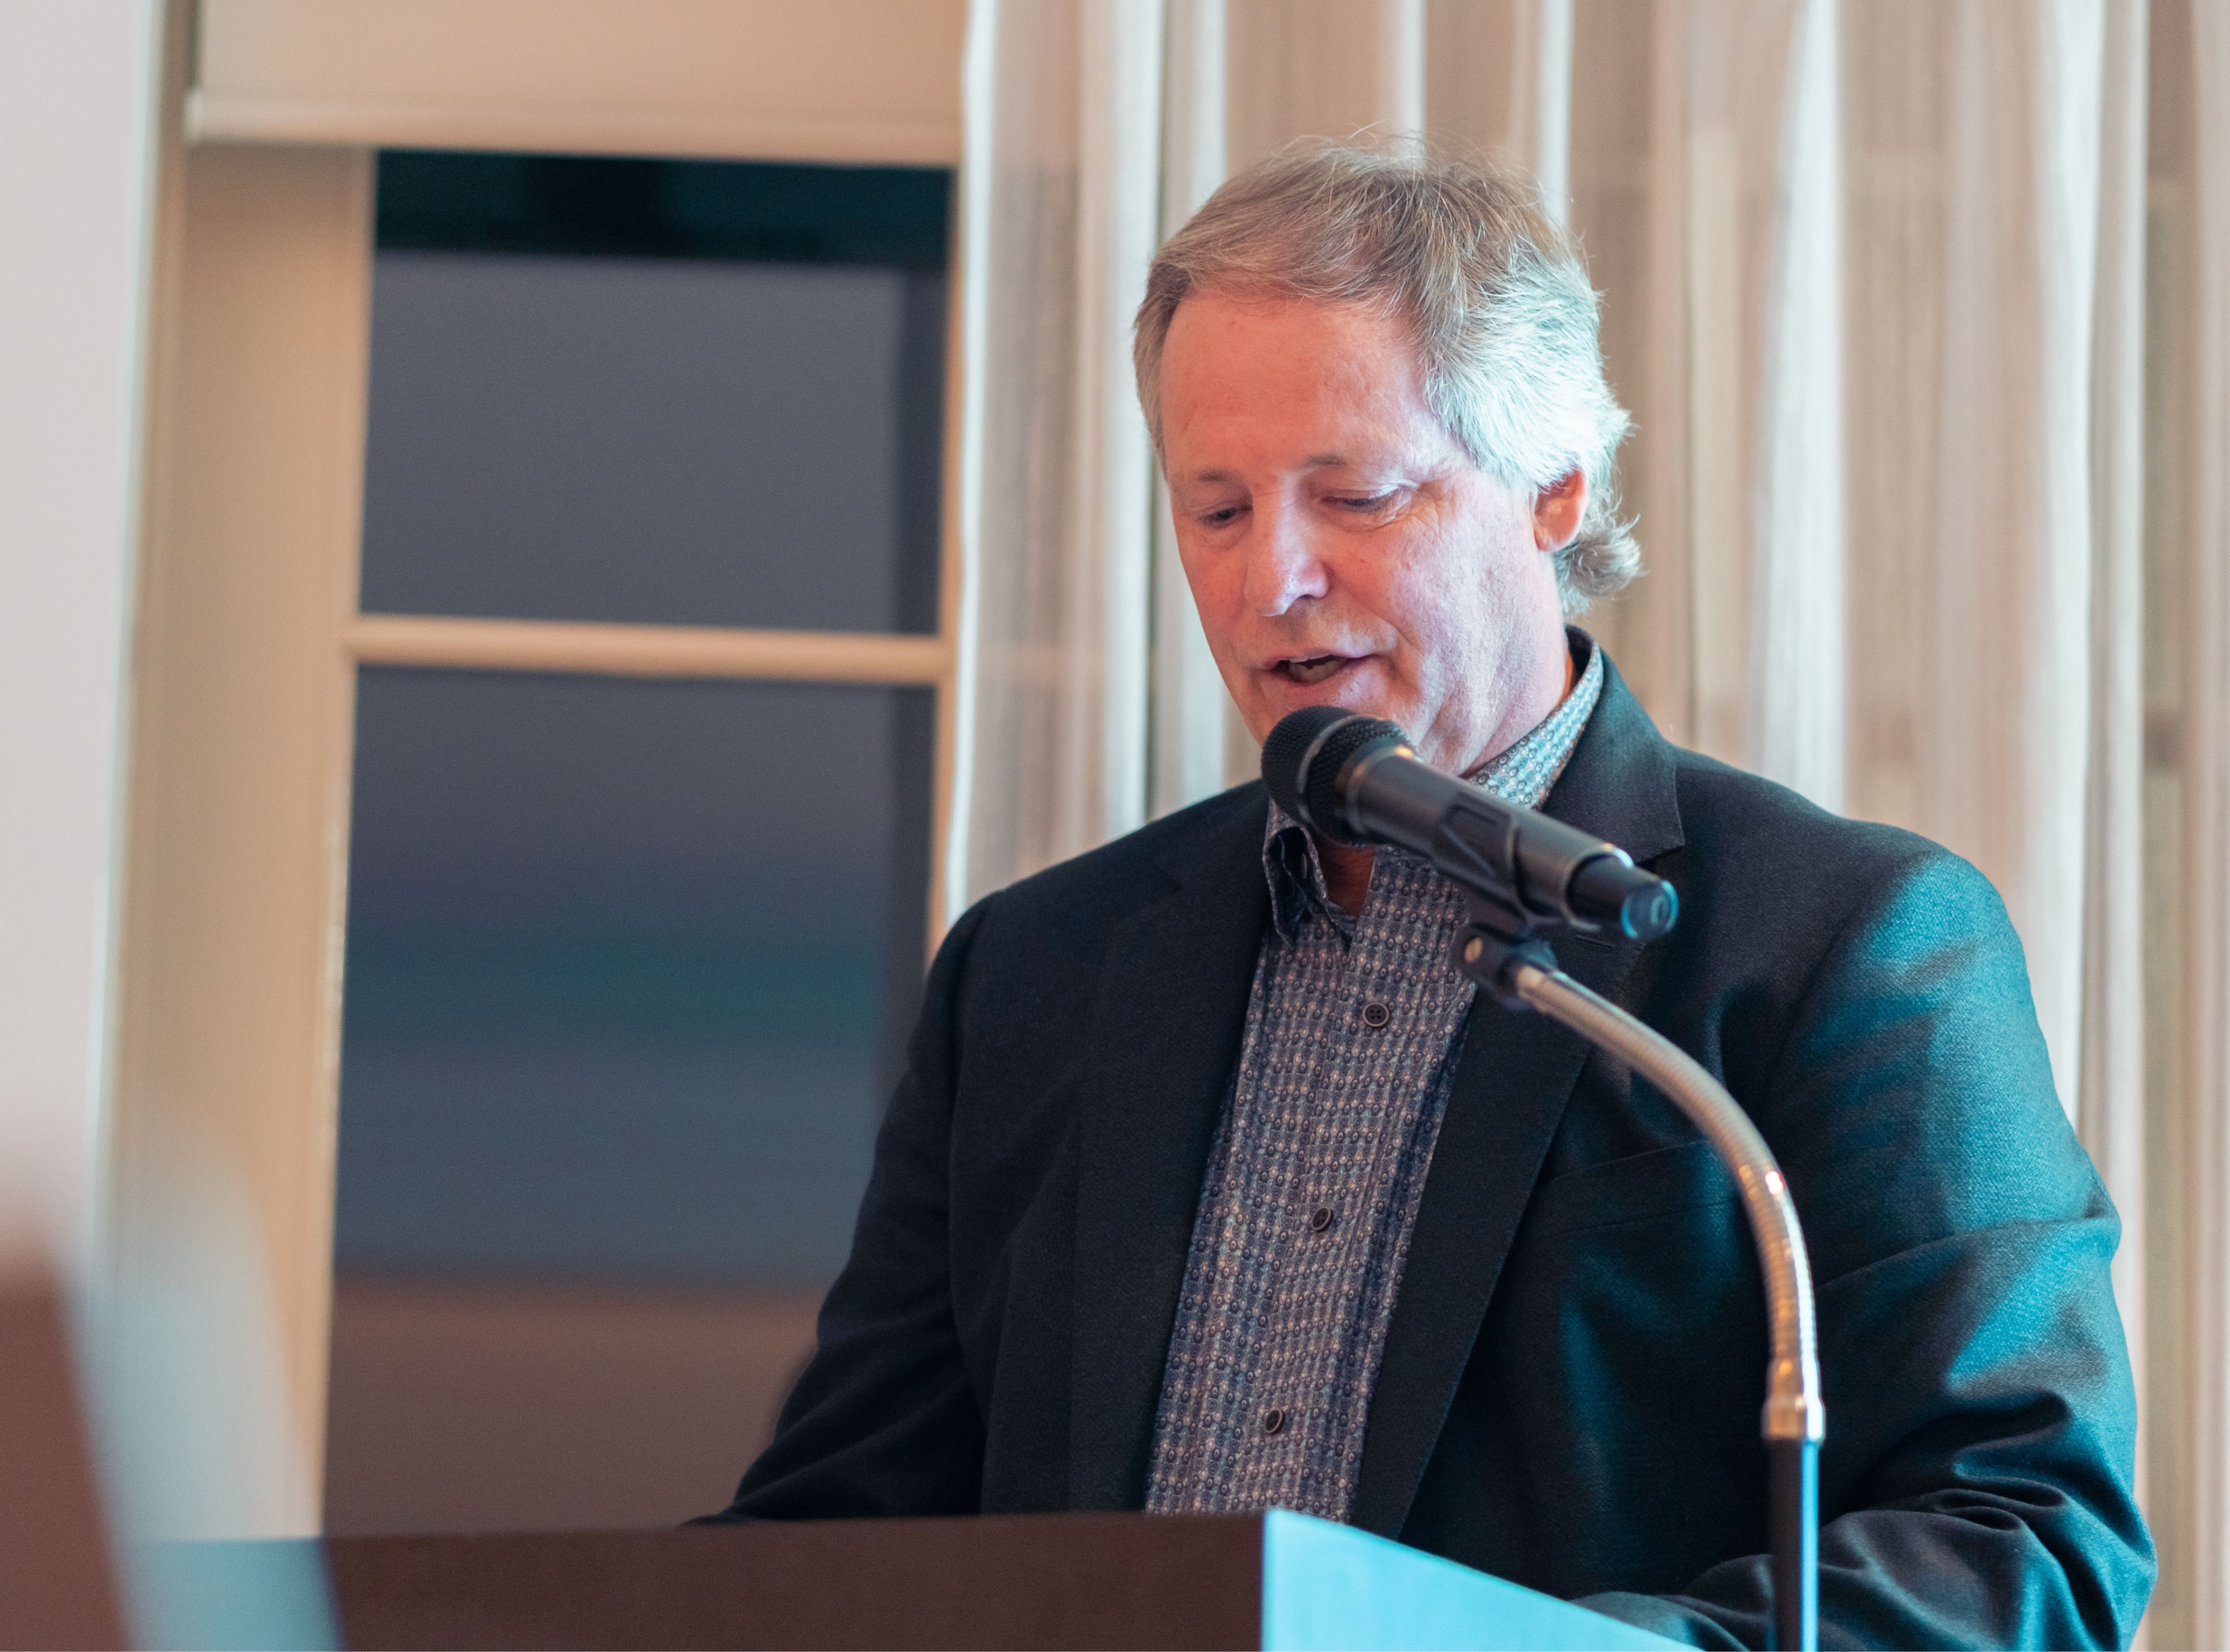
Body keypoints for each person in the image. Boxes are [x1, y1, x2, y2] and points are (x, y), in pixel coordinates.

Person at [717, 143, 2152, 1648]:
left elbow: (2026, 1544)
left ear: (1552, 490)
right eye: (1214, 511)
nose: (1270, 577)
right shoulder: (1034, 970)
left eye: (1355, 495)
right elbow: (833, 1549)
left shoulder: (1849, 941)